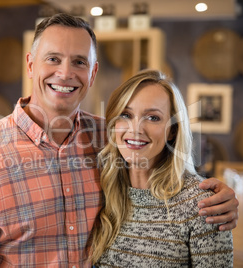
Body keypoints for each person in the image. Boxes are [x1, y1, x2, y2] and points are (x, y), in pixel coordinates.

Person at [0, 13, 238, 267]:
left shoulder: (108, 138)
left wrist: (218, 197)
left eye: (79, 62)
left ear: (93, 72)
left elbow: (162, 172)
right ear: (31, 64)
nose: (65, 73)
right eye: (53, 59)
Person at [90, 70, 233, 267]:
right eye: (125, 114)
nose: (135, 129)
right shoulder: (100, 191)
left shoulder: (202, 203)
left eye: (153, 118)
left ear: (173, 131)